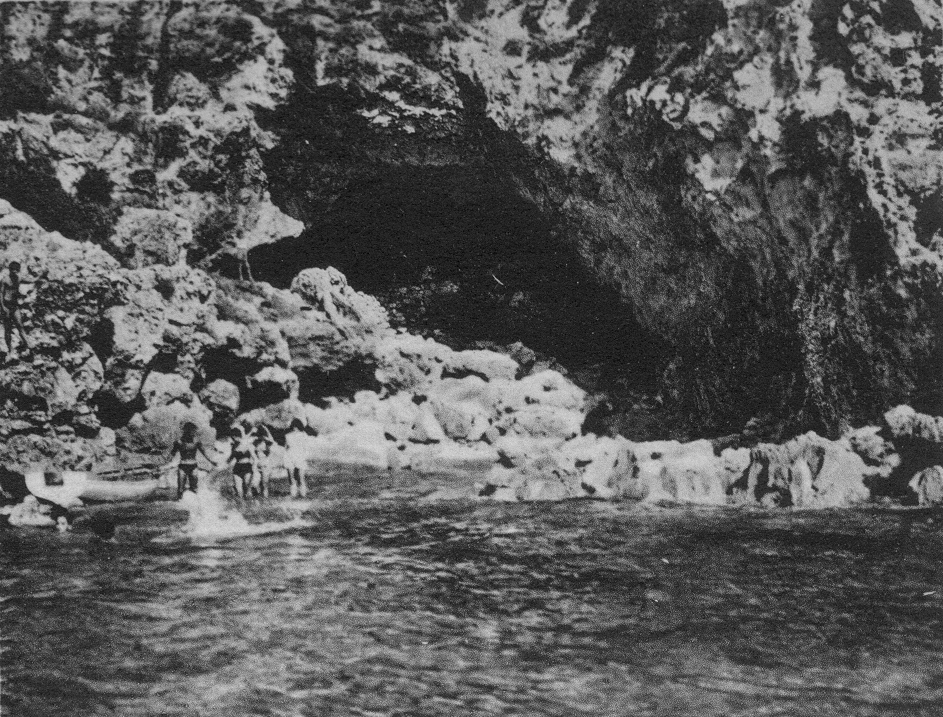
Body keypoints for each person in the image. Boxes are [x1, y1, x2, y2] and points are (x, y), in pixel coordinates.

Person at [167, 422, 215, 499]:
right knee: (180, 490)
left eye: (194, 431)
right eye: (192, 431)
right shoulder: (179, 442)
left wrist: (212, 461)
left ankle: (194, 506)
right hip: (182, 467)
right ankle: (180, 503)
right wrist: (166, 463)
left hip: (193, 467)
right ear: (186, 431)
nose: (194, 433)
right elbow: (172, 454)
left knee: (194, 488)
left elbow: (204, 453)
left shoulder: (197, 442)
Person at [0, 260, 32, 360]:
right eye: (12, 270)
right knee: (8, 329)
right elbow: (0, 294)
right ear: (9, 269)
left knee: (20, 326)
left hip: (14, 306)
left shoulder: (18, 278)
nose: (14, 272)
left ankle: (28, 347)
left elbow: (30, 280)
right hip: (6, 306)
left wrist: (40, 277)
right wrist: (3, 307)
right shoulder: (5, 280)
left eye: (16, 270)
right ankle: (10, 351)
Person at [228, 421, 258, 499]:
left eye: (234, 437)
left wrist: (254, 468)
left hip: (247, 467)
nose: (233, 439)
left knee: (247, 492)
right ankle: (241, 508)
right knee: (239, 492)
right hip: (237, 468)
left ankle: (250, 508)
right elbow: (230, 459)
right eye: (232, 437)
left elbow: (255, 458)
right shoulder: (233, 446)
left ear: (238, 436)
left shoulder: (247, 444)